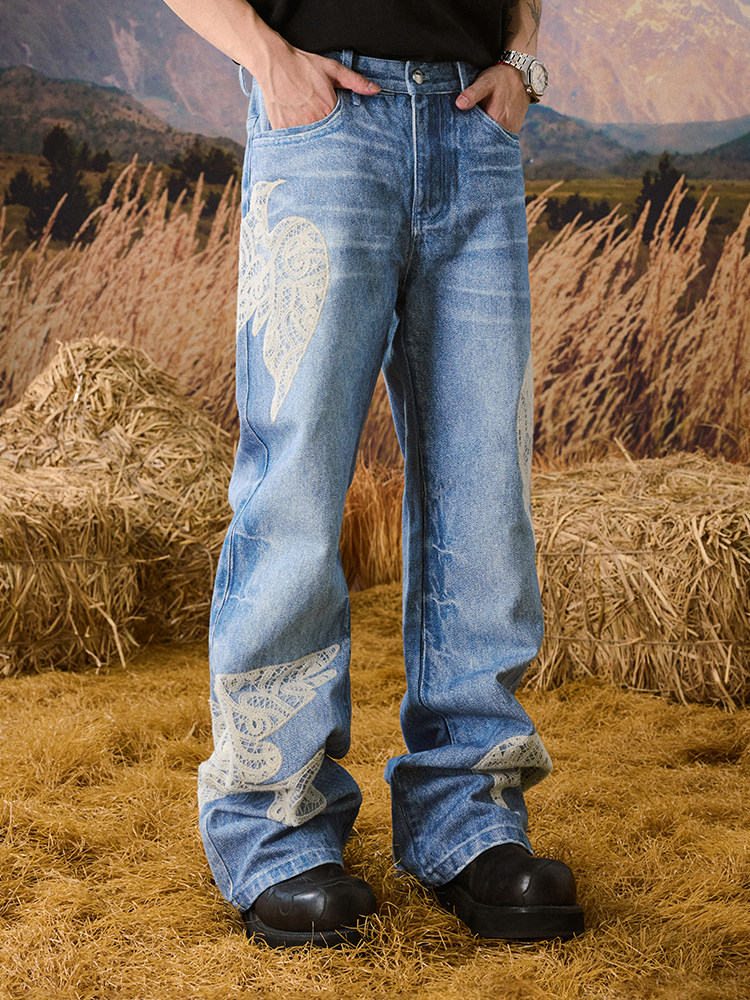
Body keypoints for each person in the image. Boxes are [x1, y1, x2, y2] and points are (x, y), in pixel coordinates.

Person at [161, 0, 585, 948]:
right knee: (298, 485)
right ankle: (275, 823)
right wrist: (268, 59)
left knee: (485, 493)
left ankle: (470, 817)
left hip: (474, 127)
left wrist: (522, 61)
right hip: (327, 124)